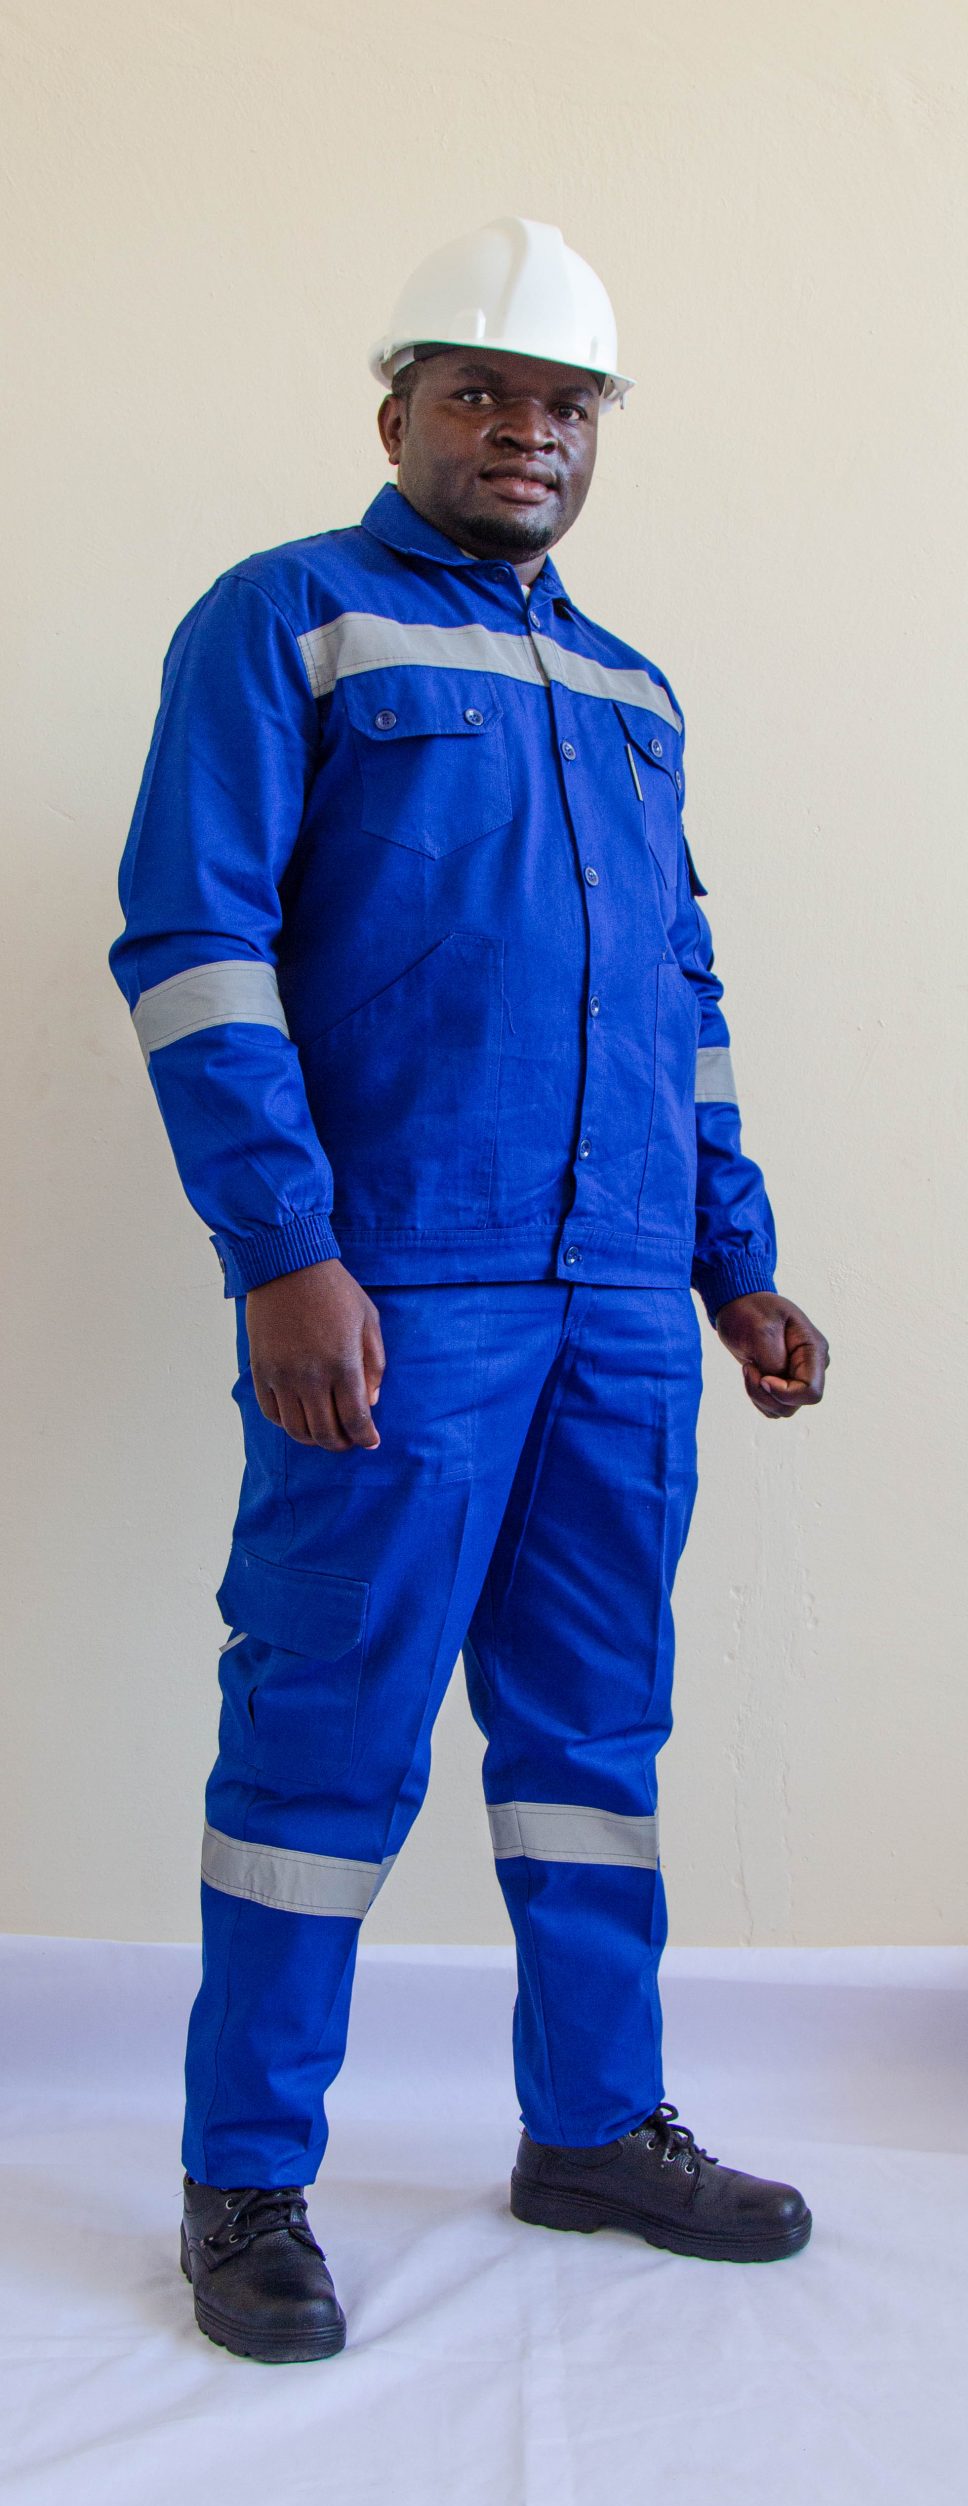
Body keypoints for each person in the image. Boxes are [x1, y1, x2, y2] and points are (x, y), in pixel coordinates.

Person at [109, 215, 830, 2365]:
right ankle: (246, 2176)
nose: (528, 431)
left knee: (592, 1737)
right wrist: (286, 1251)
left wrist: (735, 1260)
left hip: (618, 1307)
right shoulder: (287, 619)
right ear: (397, 414)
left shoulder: (631, 689)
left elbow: (683, 995)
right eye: (482, 393)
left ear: (597, 436)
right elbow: (193, 946)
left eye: (565, 404)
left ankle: (592, 2125)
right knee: (323, 1731)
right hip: (397, 1293)